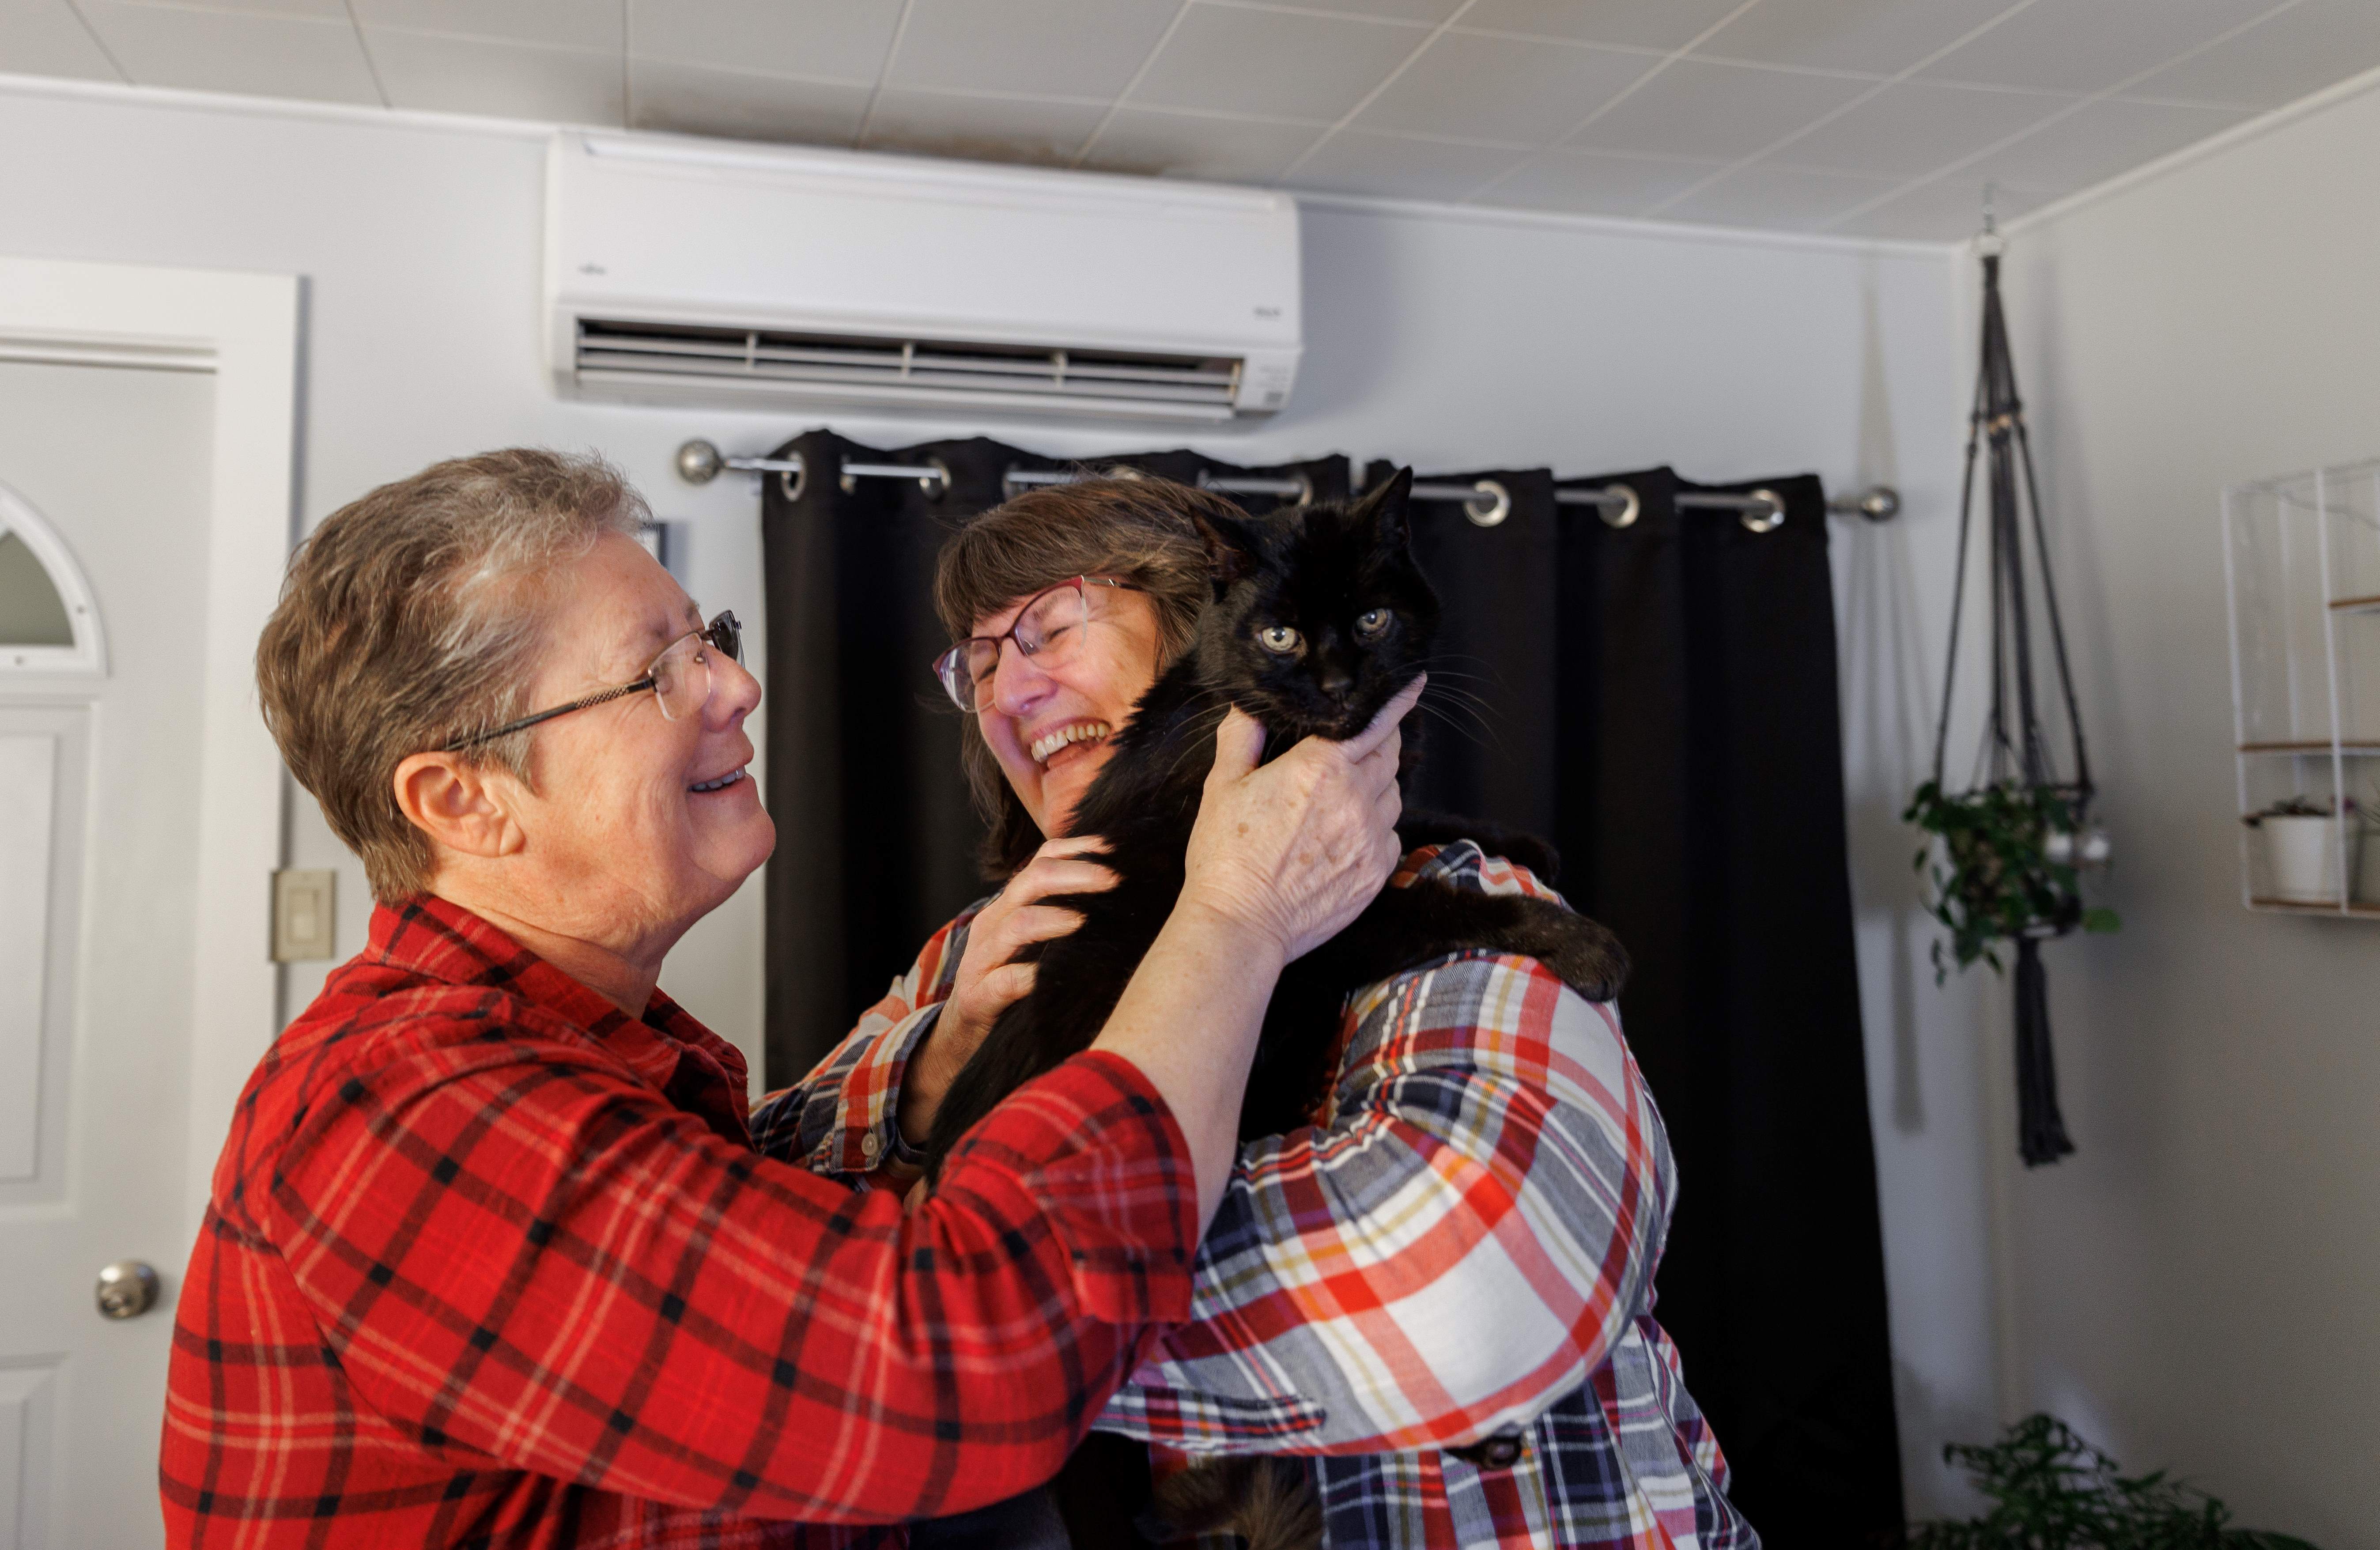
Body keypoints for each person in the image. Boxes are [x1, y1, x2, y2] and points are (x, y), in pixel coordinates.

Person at [160, 450, 1416, 1548]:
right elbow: (962, 1365)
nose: (736, 688)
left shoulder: (617, 1057)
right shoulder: (407, 1105)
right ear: (466, 802)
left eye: (709, 639)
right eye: (655, 673)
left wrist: (929, 1085)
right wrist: (1234, 919)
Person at [752, 476, 1754, 1549]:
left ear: (1211, 633)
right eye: (982, 663)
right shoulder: (967, 956)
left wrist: (942, 1309)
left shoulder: (1479, 910)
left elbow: (1467, 1289)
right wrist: (936, 1064)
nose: (1010, 695)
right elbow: (742, 1205)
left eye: (1048, 630)